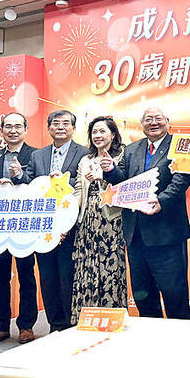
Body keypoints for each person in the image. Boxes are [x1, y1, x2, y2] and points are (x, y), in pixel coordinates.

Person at [103, 107, 190, 320]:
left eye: (157, 118)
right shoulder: (133, 149)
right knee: (143, 296)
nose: (153, 123)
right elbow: (122, 180)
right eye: (148, 119)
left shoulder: (180, 146)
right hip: (136, 235)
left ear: (168, 121)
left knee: (175, 297)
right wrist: (110, 170)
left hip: (166, 233)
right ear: (142, 125)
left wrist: (161, 201)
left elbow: (181, 180)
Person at [0, 113, 38, 347]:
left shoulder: (35, 154)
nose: (13, 130)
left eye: (17, 126)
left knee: (26, 276)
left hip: (24, 224)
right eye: (8, 126)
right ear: (1, 130)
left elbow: (38, 184)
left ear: (25, 129)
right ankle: (0, 326)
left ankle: (26, 326)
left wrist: (17, 179)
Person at [25, 110, 88, 333]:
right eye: (55, 124)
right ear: (48, 128)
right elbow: (30, 184)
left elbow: (85, 191)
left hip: (71, 228)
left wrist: (67, 224)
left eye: (65, 124)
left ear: (73, 128)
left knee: (68, 276)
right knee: (48, 277)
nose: (60, 127)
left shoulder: (85, 153)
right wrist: (16, 177)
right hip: (43, 228)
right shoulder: (38, 155)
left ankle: (72, 324)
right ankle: (55, 324)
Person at [71, 116, 128, 322]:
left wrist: (103, 178)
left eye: (102, 131)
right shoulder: (85, 160)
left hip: (111, 220)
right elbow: (78, 190)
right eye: (94, 132)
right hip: (87, 219)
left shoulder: (123, 155)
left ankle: (111, 319)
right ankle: (86, 318)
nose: (97, 136)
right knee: (87, 268)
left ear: (113, 135)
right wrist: (68, 217)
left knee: (110, 268)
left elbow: (125, 186)